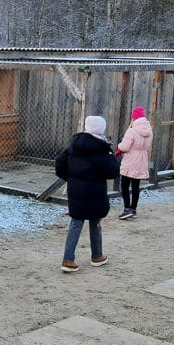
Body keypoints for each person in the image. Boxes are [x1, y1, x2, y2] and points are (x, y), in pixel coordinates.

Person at [55, 116, 120, 273]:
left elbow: (59, 164)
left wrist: (72, 179)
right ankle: (97, 255)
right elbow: (112, 171)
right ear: (101, 129)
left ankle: (68, 259)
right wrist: (113, 158)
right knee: (95, 223)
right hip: (95, 192)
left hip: (76, 192)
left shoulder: (74, 145)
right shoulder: (101, 149)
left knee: (76, 223)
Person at [115, 106, 153, 220]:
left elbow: (125, 147)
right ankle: (133, 209)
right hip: (142, 158)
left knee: (125, 185)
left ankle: (126, 209)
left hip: (131, 159)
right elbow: (148, 146)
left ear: (134, 117)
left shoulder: (131, 130)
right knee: (136, 186)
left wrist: (119, 147)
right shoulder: (149, 130)